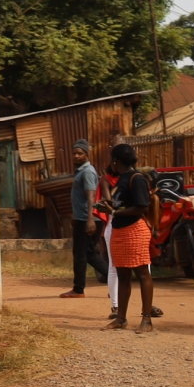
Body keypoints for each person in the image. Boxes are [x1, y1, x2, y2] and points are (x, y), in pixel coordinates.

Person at [103, 143, 156, 332]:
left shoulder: (137, 178)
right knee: (123, 275)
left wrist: (115, 213)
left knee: (142, 273)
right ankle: (121, 318)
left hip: (134, 231)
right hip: (119, 232)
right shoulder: (122, 179)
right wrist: (110, 209)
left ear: (116, 161)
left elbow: (142, 207)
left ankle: (147, 320)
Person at [61, 139, 109, 299]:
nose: (76, 156)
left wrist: (89, 219)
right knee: (87, 253)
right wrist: (76, 217)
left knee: (82, 254)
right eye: (74, 153)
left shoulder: (87, 172)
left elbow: (91, 197)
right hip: (82, 218)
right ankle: (117, 280)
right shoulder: (80, 171)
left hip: (89, 220)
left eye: (80, 153)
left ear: (87, 155)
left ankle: (78, 289)